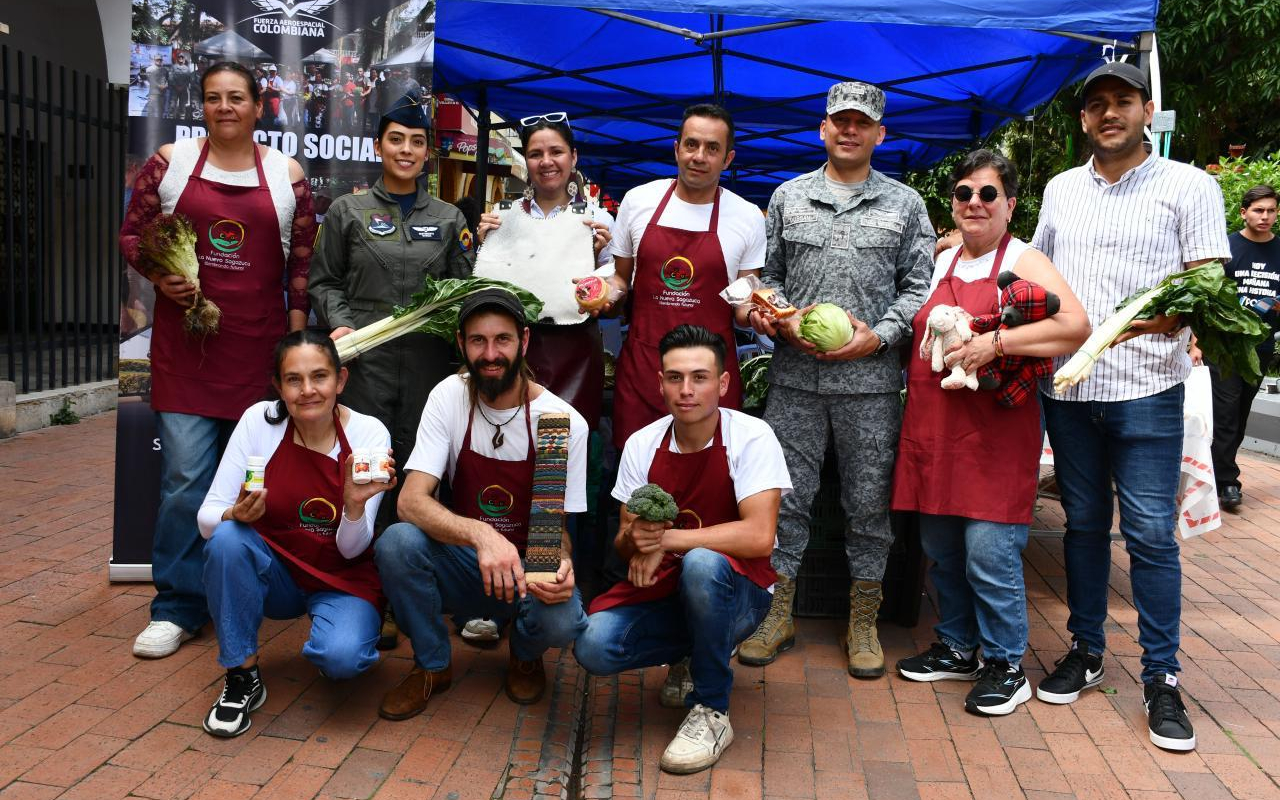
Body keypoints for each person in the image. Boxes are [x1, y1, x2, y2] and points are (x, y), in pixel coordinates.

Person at [1032, 61, 1230, 751]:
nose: (1108, 113)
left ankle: (1162, 678)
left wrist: (1168, 322)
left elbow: (1207, 283)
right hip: (1071, 387)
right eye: (1096, 105)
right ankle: (1086, 651)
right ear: (1084, 120)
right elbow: (1039, 273)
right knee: (1082, 526)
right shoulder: (1060, 190)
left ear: (1147, 110)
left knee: (1147, 534)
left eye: (1122, 101)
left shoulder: (1190, 186)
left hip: (1148, 385)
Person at [119, 60, 315, 660]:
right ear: (200, 106)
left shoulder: (287, 176)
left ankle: (240, 593)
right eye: (213, 98)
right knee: (183, 482)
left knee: (254, 485)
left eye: (236, 98)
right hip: (185, 355)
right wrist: (159, 273)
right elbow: (133, 234)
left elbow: (300, 269)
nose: (224, 107)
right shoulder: (170, 164)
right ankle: (176, 607)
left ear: (259, 107)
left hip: (257, 357)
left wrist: (297, 348)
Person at [739, 81, 934, 677]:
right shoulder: (787, 198)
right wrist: (782, 319)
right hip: (795, 380)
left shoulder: (906, 205)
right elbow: (763, 278)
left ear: (880, 134)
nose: (849, 131)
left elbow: (918, 288)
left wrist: (879, 335)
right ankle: (779, 611)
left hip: (872, 387)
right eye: (838, 121)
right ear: (822, 129)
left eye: (861, 123)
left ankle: (863, 619)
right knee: (785, 497)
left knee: (868, 505)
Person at [890, 150, 1090, 715]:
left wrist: (995, 344)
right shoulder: (941, 260)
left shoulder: (1025, 259)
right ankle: (957, 646)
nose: (973, 203)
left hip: (995, 433)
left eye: (987, 194)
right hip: (934, 426)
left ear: (1010, 204)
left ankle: (1007, 663)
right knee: (942, 549)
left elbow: (1075, 326)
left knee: (989, 551)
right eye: (963, 194)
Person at [576, 324, 790, 773]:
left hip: (741, 593)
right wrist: (637, 541)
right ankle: (689, 653)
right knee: (594, 647)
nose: (686, 390)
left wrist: (668, 540)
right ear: (660, 383)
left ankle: (712, 708)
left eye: (700, 377)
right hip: (663, 588)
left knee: (701, 564)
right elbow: (622, 540)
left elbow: (758, 537)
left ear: (724, 383)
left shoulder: (751, 437)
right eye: (675, 378)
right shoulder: (642, 443)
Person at [374, 289, 589, 720]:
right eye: (478, 341)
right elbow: (411, 501)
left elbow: (552, 529)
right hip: (466, 564)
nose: (491, 354)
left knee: (562, 618)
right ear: (461, 344)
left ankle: (525, 654)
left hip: (527, 568)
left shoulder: (557, 421)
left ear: (524, 342)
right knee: (398, 543)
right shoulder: (450, 396)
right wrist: (482, 535)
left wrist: (559, 565)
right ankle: (433, 665)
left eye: (502, 340)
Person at [197, 331, 393, 737]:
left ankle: (336, 637)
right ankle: (241, 676)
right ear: (278, 386)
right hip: (277, 575)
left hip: (342, 578)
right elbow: (206, 518)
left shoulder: (369, 434)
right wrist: (236, 512)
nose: (307, 391)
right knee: (228, 537)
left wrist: (354, 506)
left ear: (340, 380)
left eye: (319, 377)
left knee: (341, 661)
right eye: (293, 380)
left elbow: (355, 548)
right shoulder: (259, 423)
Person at [309, 93, 475, 533]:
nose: (406, 150)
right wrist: (341, 323)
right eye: (396, 140)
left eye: (416, 142)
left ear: (427, 153)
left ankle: (410, 569)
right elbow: (323, 281)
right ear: (378, 147)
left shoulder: (449, 218)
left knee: (422, 467)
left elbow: (465, 293)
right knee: (365, 463)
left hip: (429, 363)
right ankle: (360, 568)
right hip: (365, 362)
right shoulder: (348, 211)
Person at [599, 104, 766, 451]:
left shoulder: (747, 217)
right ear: (676, 149)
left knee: (709, 480)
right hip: (646, 371)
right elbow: (620, 280)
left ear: (728, 158)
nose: (699, 156)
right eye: (691, 145)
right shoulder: (639, 201)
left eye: (712, 148)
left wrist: (758, 314)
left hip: (710, 377)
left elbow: (744, 296)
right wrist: (603, 296)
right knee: (639, 483)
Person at [475, 113, 615, 429]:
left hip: (576, 355)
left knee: (565, 451)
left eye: (556, 152)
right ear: (526, 160)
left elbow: (616, 300)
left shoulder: (598, 220)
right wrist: (484, 245)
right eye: (536, 154)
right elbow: (483, 288)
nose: (546, 161)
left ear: (574, 156)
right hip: (511, 354)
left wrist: (599, 272)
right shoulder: (501, 217)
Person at [1212, 184, 1279, 510]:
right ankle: (1227, 482)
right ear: (1244, 212)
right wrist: (1197, 343)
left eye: (1270, 210)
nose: (1265, 216)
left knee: (1239, 415)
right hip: (1224, 346)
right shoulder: (1226, 247)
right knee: (1225, 413)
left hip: (1261, 347)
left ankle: (1216, 473)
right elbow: (1208, 296)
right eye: (1258, 210)